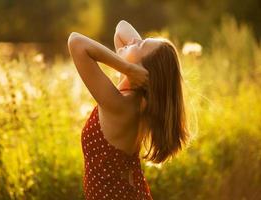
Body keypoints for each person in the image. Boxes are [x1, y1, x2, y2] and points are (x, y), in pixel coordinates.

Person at [67, 20, 189, 200]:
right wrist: (134, 63)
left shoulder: (120, 105)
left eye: (138, 45)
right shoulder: (138, 98)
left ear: (141, 70)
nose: (132, 41)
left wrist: (128, 67)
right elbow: (121, 27)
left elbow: (76, 42)